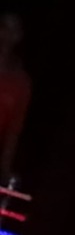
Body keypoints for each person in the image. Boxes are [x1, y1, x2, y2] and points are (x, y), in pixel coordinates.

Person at [0, 13, 31, 186]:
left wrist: (5, 168)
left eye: (13, 30)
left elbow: (14, 130)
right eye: (4, 28)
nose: (6, 35)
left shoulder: (20, 82)